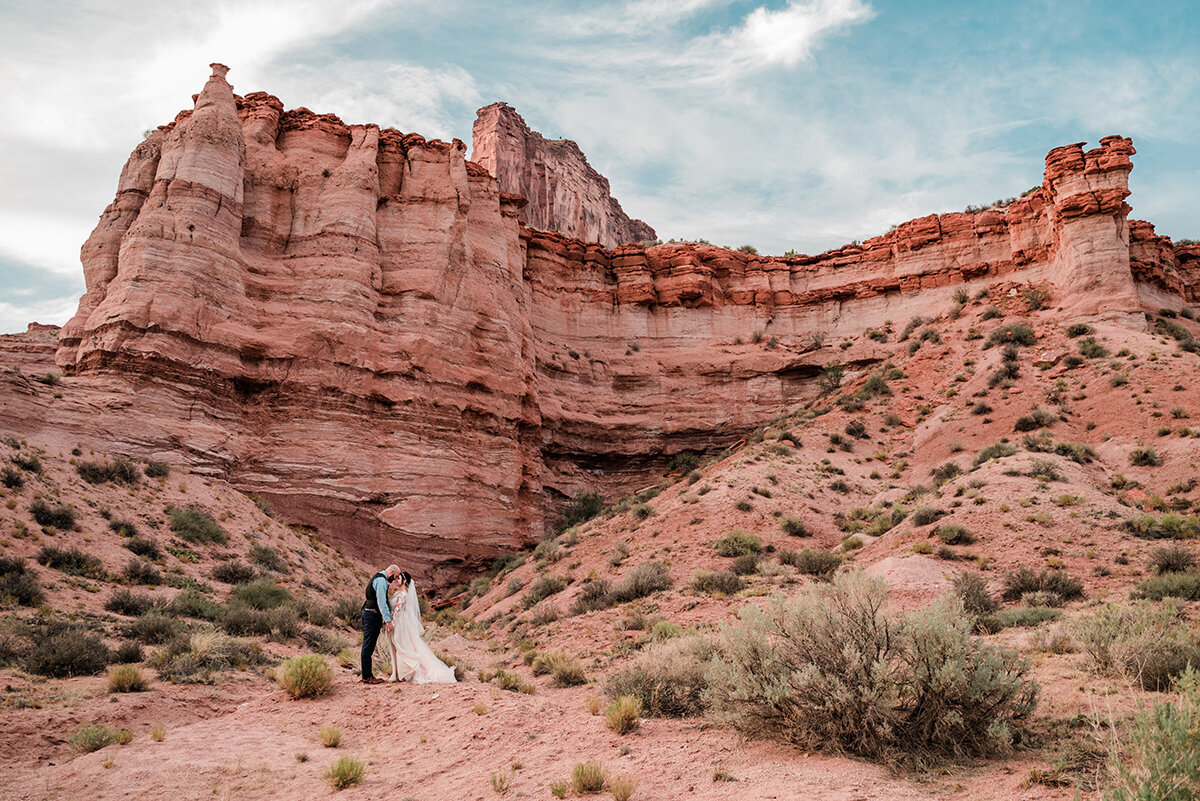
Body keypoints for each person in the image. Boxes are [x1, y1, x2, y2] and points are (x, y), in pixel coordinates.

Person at [385, 572, 457, 684]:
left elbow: (397, 611)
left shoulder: (403, 594)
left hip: (399, 622)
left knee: (401, 646)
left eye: (399, 578)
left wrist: (391, 624)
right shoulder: (399, 593)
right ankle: (397, 673)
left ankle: (401, 673)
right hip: (399, 621)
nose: (396, 580)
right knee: (399, 646)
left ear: (404, 581)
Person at [361, 564, 403, 685]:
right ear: (391, 572)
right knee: (368, 646)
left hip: (371, 615)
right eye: (395, 577)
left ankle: (367, 675)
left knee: (368, 645)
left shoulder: (378, 578)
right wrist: (388, 621)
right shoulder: (381, 581)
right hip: (372, 615)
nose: (394, 580)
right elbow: (381, 602)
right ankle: (367, 676)